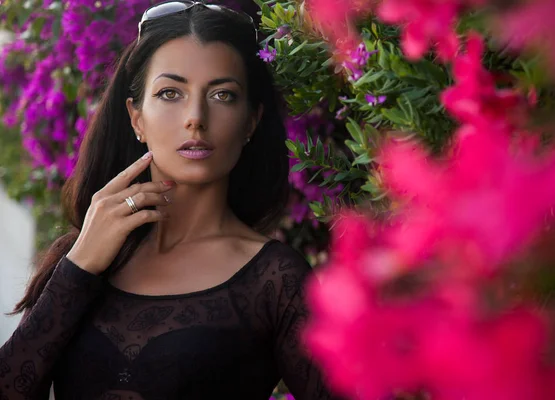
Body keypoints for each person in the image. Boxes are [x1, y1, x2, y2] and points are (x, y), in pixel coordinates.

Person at [0, 1, 341, 399]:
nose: (195, 116)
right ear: (136, 118)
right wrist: (77, 267)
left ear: (250, 121)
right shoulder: (82, 259)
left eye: (223, 95)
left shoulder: (276, 280)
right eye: (170, 93)